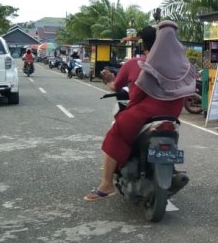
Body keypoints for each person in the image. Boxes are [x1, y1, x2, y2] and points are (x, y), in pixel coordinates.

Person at [84, 20, 197, 201]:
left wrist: (109, 80)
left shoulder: (137, 63)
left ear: (143, 44)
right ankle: (170, 170)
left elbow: (116, 87)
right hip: (171, 116)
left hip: (145, 113)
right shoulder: (183, 66)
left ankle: (106, 184)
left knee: (116, 133)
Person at [101, 26, 156, 91]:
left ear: (144, 45)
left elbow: (115, 87)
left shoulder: (133, 63)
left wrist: (110, 80)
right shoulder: (169, 65)